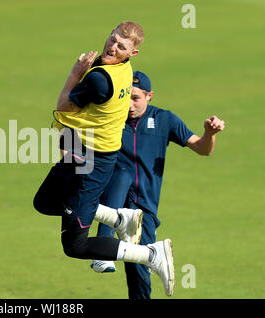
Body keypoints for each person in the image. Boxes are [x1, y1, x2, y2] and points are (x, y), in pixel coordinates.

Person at [33, 22, 175, 296]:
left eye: (120, 46)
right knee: (45, 201)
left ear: (132, 53)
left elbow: (63, 105)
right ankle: (119, 219)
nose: (112, 47)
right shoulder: (123, 69)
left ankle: (150, 254)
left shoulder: (100, 79)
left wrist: (75, 73)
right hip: (82, 151)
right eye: (112, 39)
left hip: (92, 165)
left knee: (75, 246)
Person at [90, 71, 225, 299]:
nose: (130, 105)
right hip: (113, 197)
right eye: (126, 97)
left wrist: (209, 134)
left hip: (145, 209)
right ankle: (103, 248)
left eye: (136, 98)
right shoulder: (111, 117)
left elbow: (203, 149)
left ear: (149, 96)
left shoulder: (164, 119)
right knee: (120, 176)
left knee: (139, 271)